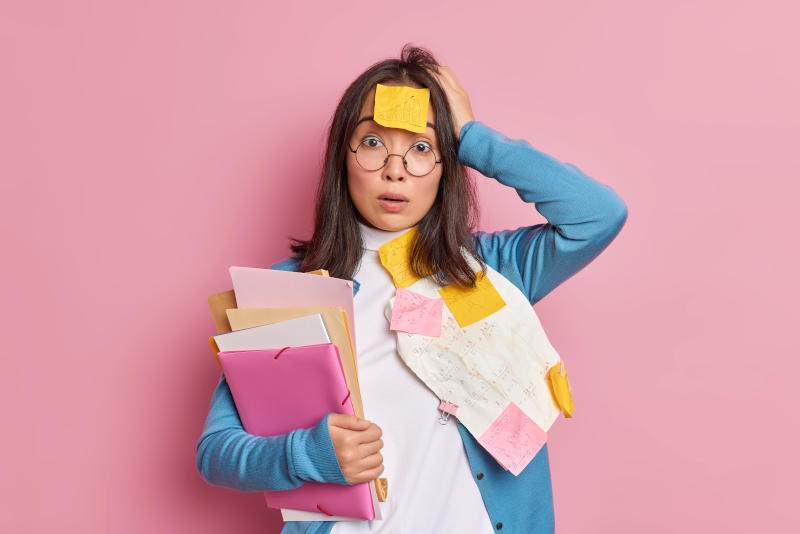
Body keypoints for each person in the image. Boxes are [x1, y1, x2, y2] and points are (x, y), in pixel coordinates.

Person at [196, 44, 628, 534]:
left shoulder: (492, 270)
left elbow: (598, 215)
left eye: (422, 147)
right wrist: (307, 453)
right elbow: (216, 451)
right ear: (342, 156)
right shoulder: (291, 290)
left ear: (447, 164)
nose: (395, 169)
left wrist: (472, 136)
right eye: (373, 142)